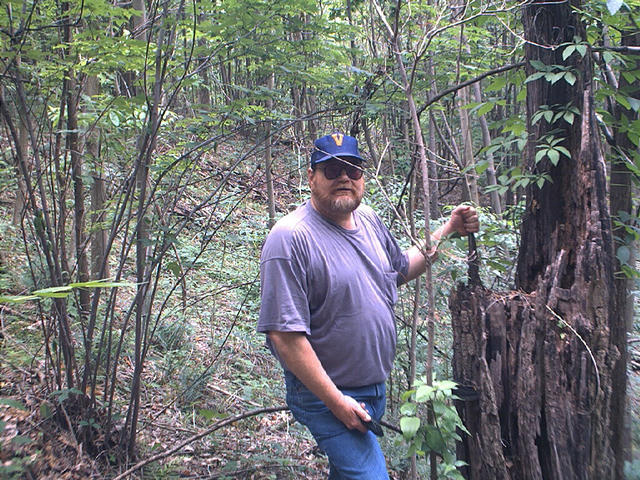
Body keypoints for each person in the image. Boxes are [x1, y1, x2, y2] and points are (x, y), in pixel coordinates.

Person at [257, 133, 479, 479]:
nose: (344, 177)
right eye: (332, 169)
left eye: (353, 169)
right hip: (326, 394)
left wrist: (448, 229)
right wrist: (335, 401)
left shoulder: (369, 220)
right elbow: (284, 336)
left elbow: (400, 269)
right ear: (311, 177)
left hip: (372, 388)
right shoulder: (290, 238)